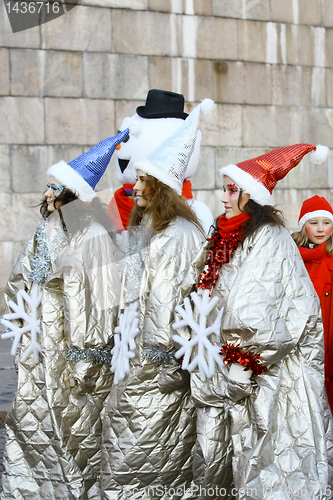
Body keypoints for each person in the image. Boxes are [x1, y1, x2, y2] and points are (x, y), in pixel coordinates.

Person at [173, 144, 333, 499]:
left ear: (251, 195)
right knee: (223, 459)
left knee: (264, 460)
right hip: (221, 367)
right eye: (225, 188)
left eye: (232, 189)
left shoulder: (268, 238)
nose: (225, 197)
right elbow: (200, 283)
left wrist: (243, 358)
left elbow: (260, 307)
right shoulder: (225, 232)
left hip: (264, 374)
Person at [0, 130, 129, 500]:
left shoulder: (92, 235)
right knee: (30, 417)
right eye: (48, 187)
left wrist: (87, 355)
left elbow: (100, 299)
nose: (46, 194)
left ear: (72, 194)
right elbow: (22, 276)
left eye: (54, 189)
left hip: (72, 343)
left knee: (74, 424)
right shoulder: (48, 227)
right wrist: (20, 315)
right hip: (40, 340)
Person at [101, 100, 213, 499]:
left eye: (144, 180)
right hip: (144, 357)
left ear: (160, 186)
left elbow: (163, 305)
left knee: (136, 449)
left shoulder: (170, 234)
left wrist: (159, 364)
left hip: (153, 363)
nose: (134, 185)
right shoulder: (153, 226)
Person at [292, 195, 333, 412]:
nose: (320, 229)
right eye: (313, 223)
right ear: (303, 226)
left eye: (326, 223)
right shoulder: (292, 257)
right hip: (304, 342)